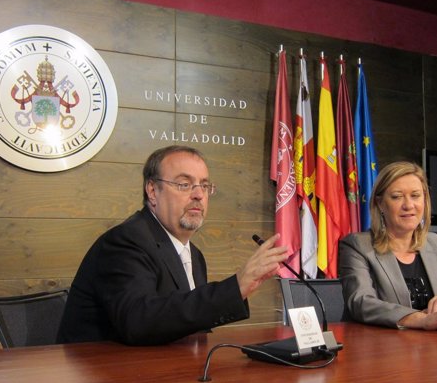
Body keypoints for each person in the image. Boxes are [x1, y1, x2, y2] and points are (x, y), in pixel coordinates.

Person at [57, 145, 288, 345]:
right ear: (152, 191)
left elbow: (189, 324)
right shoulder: (125, 242)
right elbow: (139, 321)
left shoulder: (194, 254)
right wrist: (235, 287)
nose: (198, 194)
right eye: (184, 184)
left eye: (204, 186)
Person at [339, 161, 437, 331]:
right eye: (397, 196)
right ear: (380, 203)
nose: (408, 205)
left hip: (434, 347)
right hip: (381, 348)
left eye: (415, 195)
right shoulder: (357, 246)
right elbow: (361, 302)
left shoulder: (435, 243)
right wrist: (421, 319)